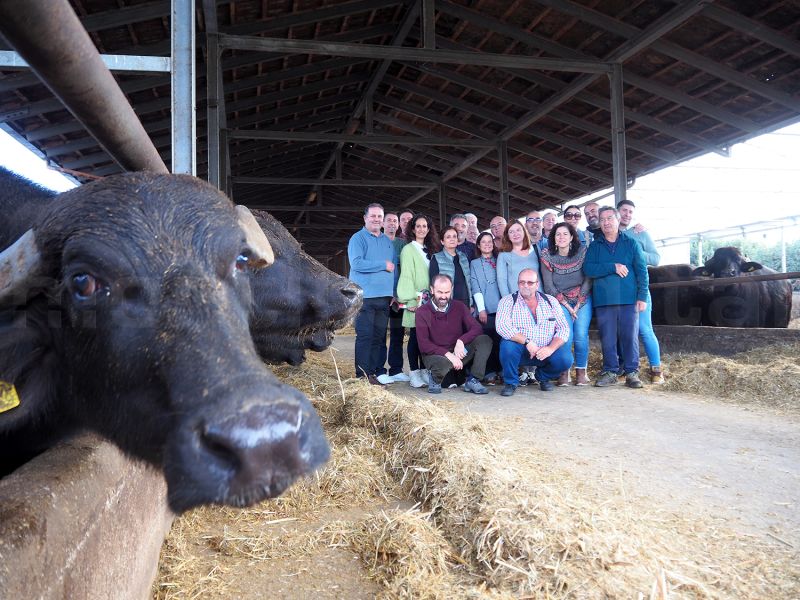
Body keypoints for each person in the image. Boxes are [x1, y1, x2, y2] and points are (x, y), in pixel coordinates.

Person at [583, 206, 649, 389]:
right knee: (608, 337)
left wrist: (642, 296)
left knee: (630, 336)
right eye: (602, 219)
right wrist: (613, 266)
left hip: (629, 298)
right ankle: (611, 370)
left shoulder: (631, 243)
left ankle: (632, 372)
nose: (606, 222)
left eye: (610, 218)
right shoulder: (595, 246)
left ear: (618, 220)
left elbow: (642, 271)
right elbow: (588, 269)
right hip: (604, 300)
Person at [495, 269, 572, 396]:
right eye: (522, 282)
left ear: (537, 284)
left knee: (566, 359)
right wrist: (527, 342)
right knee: (507, 347)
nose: (525, 285)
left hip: (545, 350)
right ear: (518, 284)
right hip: (521, 350)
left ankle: (543, 377)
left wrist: (550, 348)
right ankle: (511, 383)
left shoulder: (551, 301)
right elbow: (502, 326)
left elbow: (564, 328)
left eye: (530, 283)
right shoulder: (508, 301)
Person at [415, 274, 491, 395]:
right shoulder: (422, 312)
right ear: (432, 290)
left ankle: (473, 379)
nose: (444, 297)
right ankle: (435, 378)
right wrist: (448, 355)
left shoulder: (459, 307)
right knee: (443, 364)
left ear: (452, 290)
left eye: (447, 292)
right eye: (440, 292)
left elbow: (477, 328)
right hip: (435, 355)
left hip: (458, 352)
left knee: (484, 340)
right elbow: (424, 345)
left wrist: (461, 341)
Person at [347, 203, 395, 385]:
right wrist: (382, 265)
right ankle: (361, 375)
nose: (376, 219)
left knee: (378, 337)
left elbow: (393, 268)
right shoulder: (357, 239)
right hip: (364, 297)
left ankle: (372, 373)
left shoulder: (386, 241)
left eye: (379, 216)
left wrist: (393, 293)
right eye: (373, 216)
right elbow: (357, 264)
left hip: (384, 298)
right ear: (365, 218)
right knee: (365, 335)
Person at [539, 222, 592, 386]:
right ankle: (564, 370)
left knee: (581, 335)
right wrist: (567, 306)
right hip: (559, 301)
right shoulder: (547, 255)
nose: (561, 237)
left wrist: (578, 303)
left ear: (571, 237)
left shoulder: (583, 252)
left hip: (582, 299)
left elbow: (588, 278)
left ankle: (581, 371)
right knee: (565, 336)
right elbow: (548, 286)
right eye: (557, 234)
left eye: (565, 234)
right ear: (553, 238)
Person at [618, 199, 664, 384]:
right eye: (624, 210)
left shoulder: (640, 233)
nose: (627, 215)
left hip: (639, 289)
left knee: (644, 329)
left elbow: (655, 258)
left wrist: (635, 252)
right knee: (624, 331)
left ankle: (657, 369)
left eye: (630, 212)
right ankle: (628, 369)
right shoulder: (609, 235)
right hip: (619, 292)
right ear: (617, 212)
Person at [397, 214, 441, 388]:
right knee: (415, 337)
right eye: (418, 226)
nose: (422, 229)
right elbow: (406, 275)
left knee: (427, 337)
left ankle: (424, 370)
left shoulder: (432, 250)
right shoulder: (408, 249)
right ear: (413, 229)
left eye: (425, 226)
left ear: (429, 229)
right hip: (416, 300)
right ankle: (414, 373)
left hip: (431, 301)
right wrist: (410, 300)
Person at [378, 211, 410, 384]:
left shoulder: (403, 245)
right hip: (382, 296)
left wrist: (399, 294)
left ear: (398, 225)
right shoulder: (378, 242)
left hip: (399, 297)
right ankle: (380, 370)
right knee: (381, 333)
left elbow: (405, 271)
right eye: (388, 220)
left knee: (398, 333)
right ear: (383, 223)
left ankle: (396, 369)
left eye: (395, 221)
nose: (392, 224)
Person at [469, 231, 503, 384]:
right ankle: (488, 372)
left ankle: (502, 371)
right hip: (486, 309)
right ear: (478, 245)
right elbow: (475, 285)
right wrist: (481, 309)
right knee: (487, 340)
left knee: (501, 341)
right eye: (484, 242)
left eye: (490, 241)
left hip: (502, 308)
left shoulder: (500, 260)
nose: (488, 244)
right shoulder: (474, 263)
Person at [430, 226, 472, 309]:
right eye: (448, 237)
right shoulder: (436, 258)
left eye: (454, 236)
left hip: (465, 302)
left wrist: (471, 303)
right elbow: (433, 283)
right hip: (447, 302)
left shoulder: (463, 257)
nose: (452, 239)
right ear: (442, 241)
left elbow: (468, 281)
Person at [496, 221, 539, 298]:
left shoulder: (535, 249)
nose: (515, 234)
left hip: (539, 299)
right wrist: (508, 302)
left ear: (524, 231)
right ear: (507, 236)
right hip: (517, 301)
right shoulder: (503, 255)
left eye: (518, 230)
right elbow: (502, 282)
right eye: (511, 232)